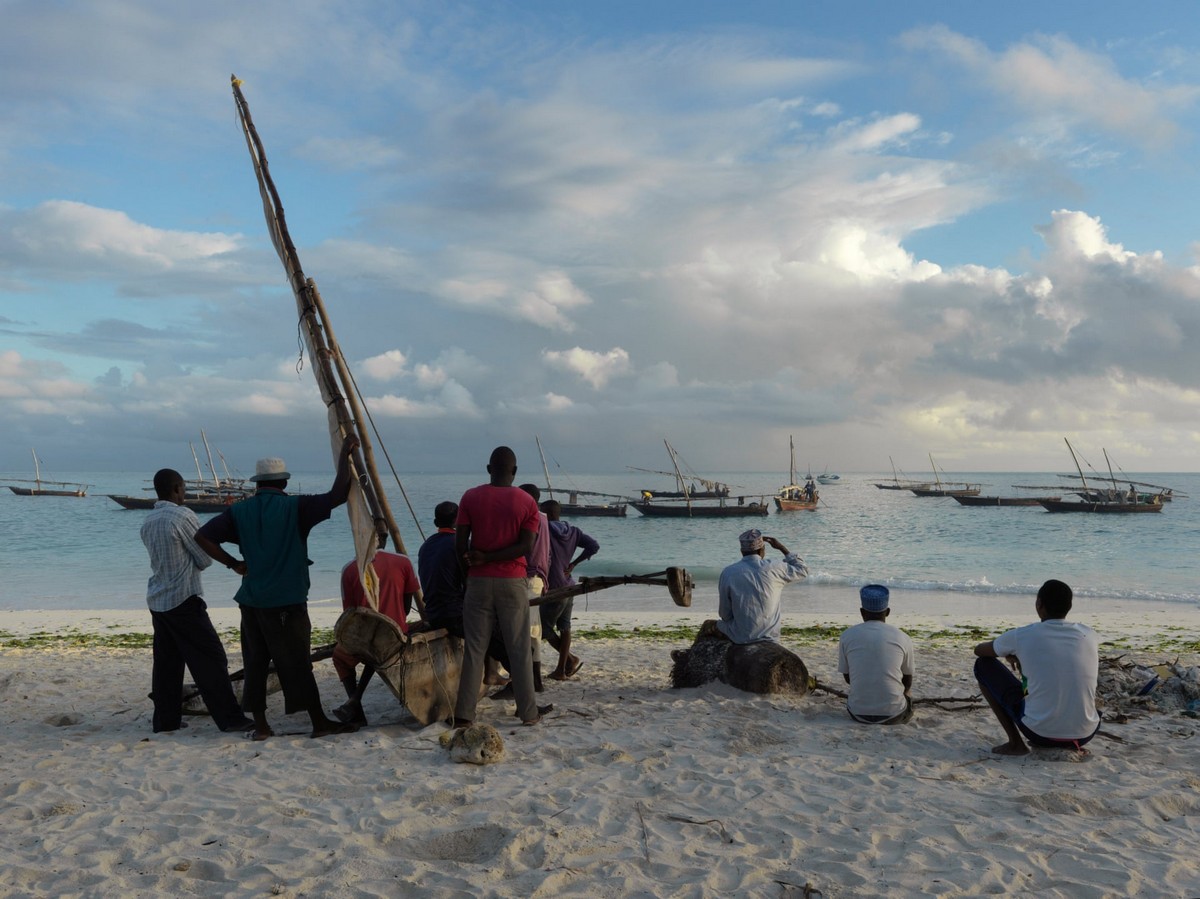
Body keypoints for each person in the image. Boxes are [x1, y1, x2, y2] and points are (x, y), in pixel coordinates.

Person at [196, 434, 361, 741]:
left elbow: (203, 537)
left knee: (256, 662)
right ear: (284, 483)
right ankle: (319, 723)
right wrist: (345, 457)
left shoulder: (239, 511)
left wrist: (234, 564)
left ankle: (261, 727)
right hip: (286, 600)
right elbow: (338, 494)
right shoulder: (297, 508)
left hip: (252, 599)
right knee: (297, 662)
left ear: (258, 484)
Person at [139, 468, 253, 735]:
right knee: (211, 658)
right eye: (183, 488)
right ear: (177, 488)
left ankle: (166, 722)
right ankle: (230, 719)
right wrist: (233, 563)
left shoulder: (149, 520)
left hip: (158, 598)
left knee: (167, 664)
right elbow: (203, 558)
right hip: (183, 597)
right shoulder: (182, 515)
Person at [451, 447, 552, 727]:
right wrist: (494, 558)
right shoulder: (527, 502)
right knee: (519, 647)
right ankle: (528, 713)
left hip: (478, 581)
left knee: (475, 649)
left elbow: (460, 545)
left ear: (488, 469)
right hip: (512, 581)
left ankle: (463, 716)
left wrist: (471, 572)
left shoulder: (470, 497)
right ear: (515, 472)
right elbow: (525, 546)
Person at [973, 579, 1101, 756]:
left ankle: (1015, 743)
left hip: (1039, 732)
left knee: (983, 665)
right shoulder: (1089, 634)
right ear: (1069, 606)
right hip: (1086, 733)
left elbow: (979, 651)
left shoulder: (1023, 635)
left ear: (1039, 604)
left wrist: (1010, 653)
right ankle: (1067, 736)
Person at [414, 501, 510, 686]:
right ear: (458, 521)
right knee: (504, 639)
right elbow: (472, 581)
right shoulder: (459, 545)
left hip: (433, 611)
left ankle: (491, 673)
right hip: (454, 614)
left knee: (488, 620)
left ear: (435, 523)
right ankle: (517, 684)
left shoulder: (426, 546)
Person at [330, 544, 422, 726]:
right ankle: (355, 702)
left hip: (374, 638)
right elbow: (406, 606)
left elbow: (350, 614)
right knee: (375, 649)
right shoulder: (403, 561)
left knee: (341, 657)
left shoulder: (349, 569)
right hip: (395, 633)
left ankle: (355, 705)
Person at [713, 529, 808, 644]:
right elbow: (802, 570)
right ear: (762, 550)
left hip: (741, 636)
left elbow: (725, 615)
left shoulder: (728, 573)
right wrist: (782, 548)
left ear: (742, 551)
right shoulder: (775, 567)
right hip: (771, 637)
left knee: (709, 625)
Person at [837, 584, 915, 725]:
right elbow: (907, 681)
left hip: (857, 712)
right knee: (907, 696)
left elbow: (848, 678)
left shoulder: (847, 636)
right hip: (893, 714)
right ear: (888, 611)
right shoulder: (902, 637)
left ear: (862, 612)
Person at [541, 499, 600, 679]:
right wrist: (574, 563)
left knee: (544, 629)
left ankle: (570, 659)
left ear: (548, 514)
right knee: (565, 627)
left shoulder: (544, 531)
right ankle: (561, 669)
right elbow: (594, 546)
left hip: (553, 587)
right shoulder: (573, 531)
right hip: (568, 584)